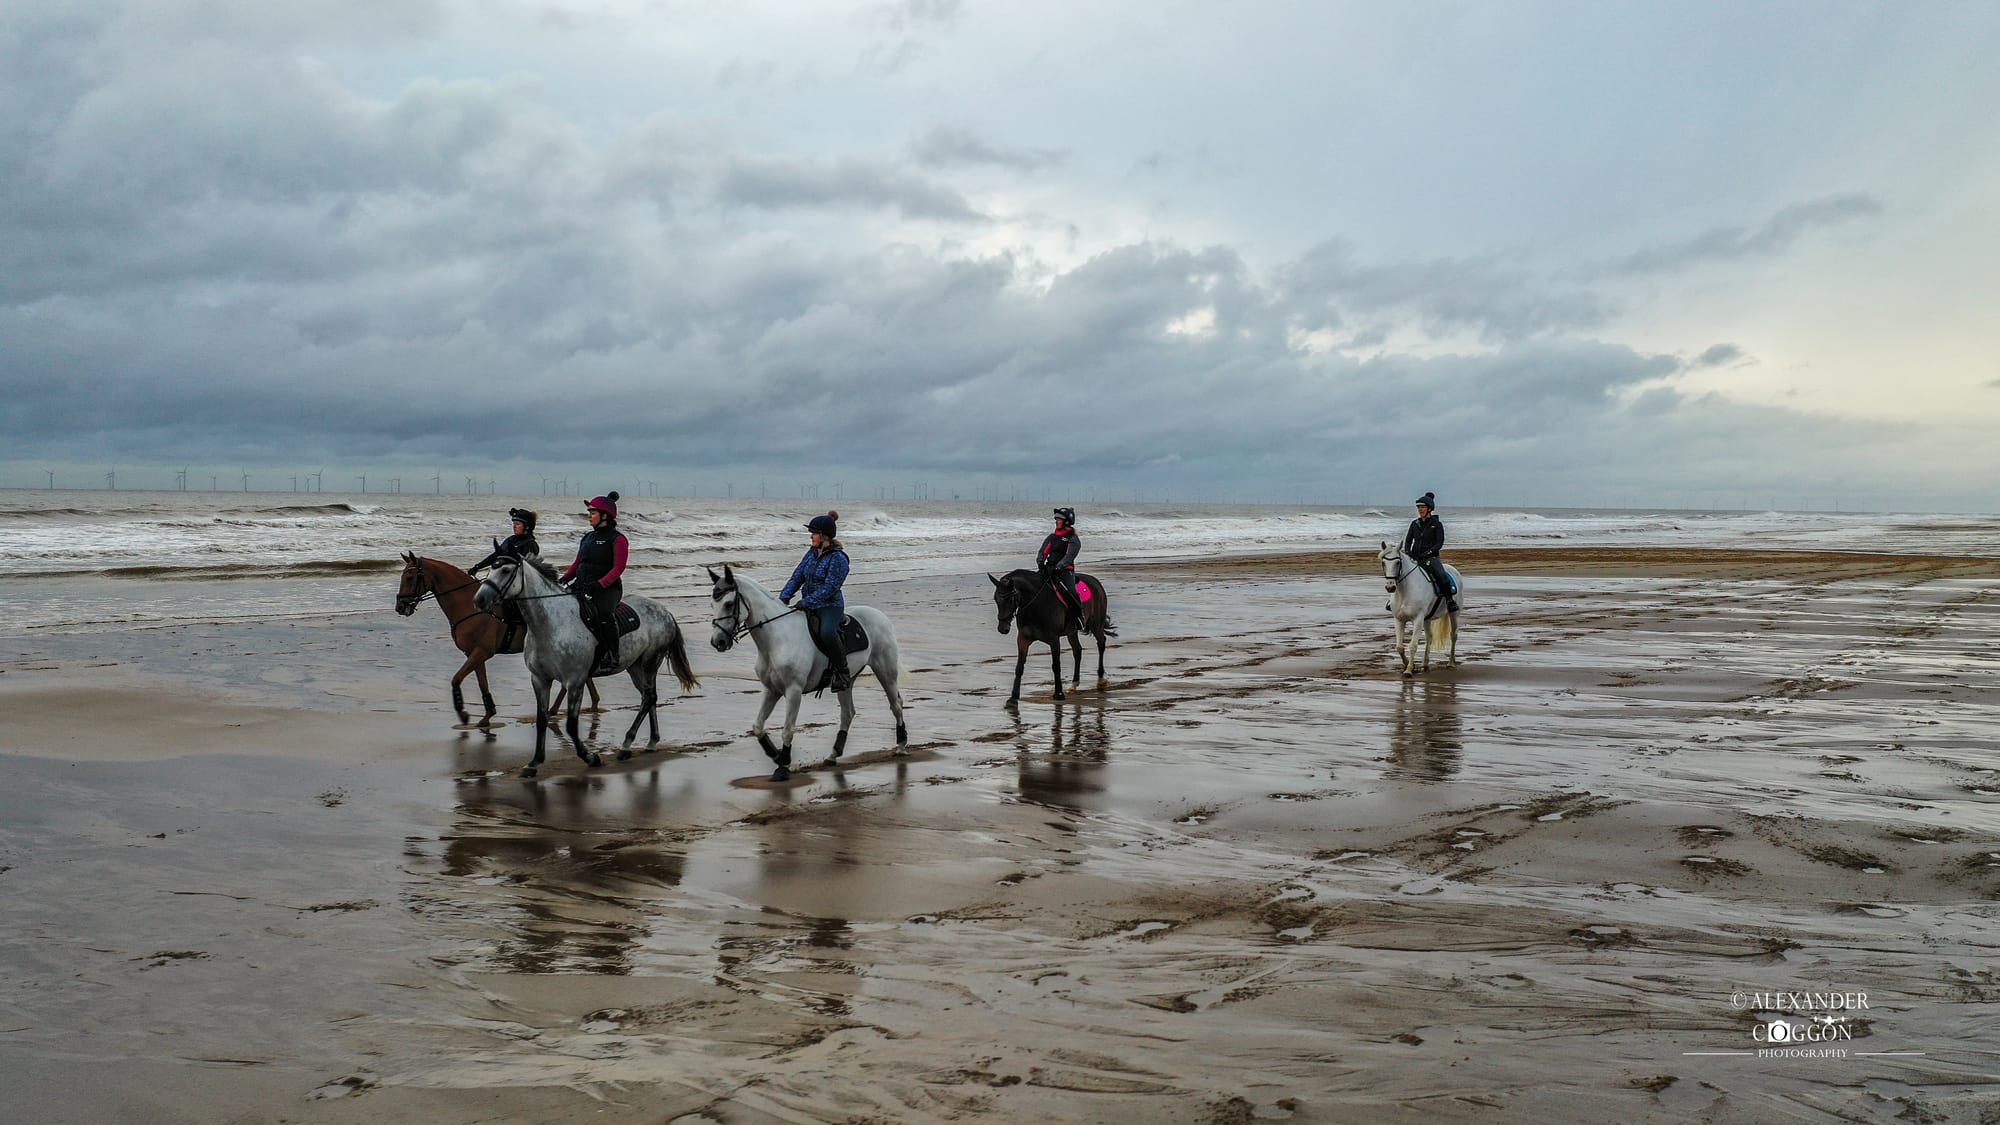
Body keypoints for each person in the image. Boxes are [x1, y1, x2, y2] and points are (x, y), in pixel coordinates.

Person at [780, 511, 851, 692]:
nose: (811, 536)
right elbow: (797, 577)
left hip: (830, 606)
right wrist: (783, 597)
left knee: (827, 632)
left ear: (824, 536)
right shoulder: (810, 554)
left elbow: (830, 588)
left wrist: (808, 601)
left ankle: (842, 673)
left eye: (814, 533)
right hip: (809, 604)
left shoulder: (838, 558)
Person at [559, 492, 628, 673]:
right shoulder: (587, 538)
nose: (589, 516)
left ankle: (613, 654)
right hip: (582, 584)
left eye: (593, 512)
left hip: (608, 589)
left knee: (604, 614)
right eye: (589, 512)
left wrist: (600, 584)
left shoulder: (618, 539)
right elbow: (577, 563)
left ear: (605, 516)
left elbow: (618, 568)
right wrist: (565, 578)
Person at [1400, 491, 1457, 613]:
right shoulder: (1414, 524)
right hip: (1415, 557)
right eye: (1419, 507)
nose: (1420, 509)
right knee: (1400, 574)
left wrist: (1428, 553)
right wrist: (1408, 551)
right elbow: (1408, 540)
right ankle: (1395, 602)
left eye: (1423, 507)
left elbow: (1439, 543)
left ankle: (1449, 600)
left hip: (1431, 558)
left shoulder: (1437, 524)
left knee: (1442, 576)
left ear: (1429, 509)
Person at [1038, 506, 1083, 629]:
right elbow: (1043, 551)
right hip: (1048, 569)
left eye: (1059, 519)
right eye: (1056, 519)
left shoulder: (1073, 539)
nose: (1056, 521)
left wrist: (1058, 567)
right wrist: (1041, 562)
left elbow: (1069, 556)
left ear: (1067, 521)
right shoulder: (1051, 537)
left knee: (1071, 592)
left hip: (1065, 571)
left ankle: (1079, 617)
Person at [468, 508, 540, 574]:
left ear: (527, 526)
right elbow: (495, 556)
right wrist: (477, 567)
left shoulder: (531, 544)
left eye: (517, 524)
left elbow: (527, 571)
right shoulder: (510, 540)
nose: (514, 526)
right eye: (513, 524)